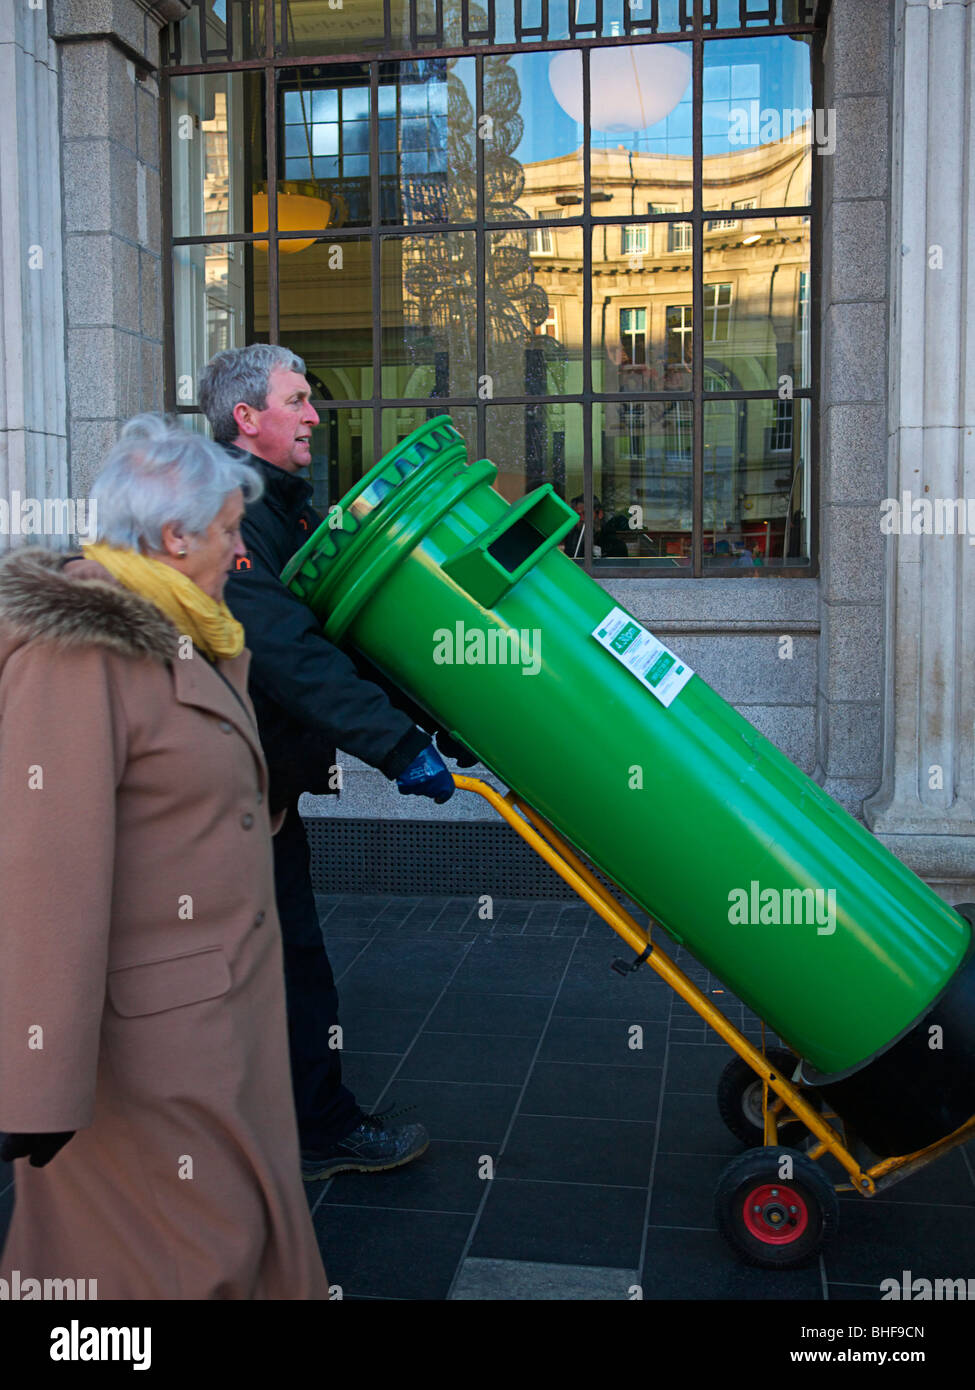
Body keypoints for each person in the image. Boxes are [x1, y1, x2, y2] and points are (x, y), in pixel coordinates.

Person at [0, 415, 329, 1299]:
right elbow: (43, 876)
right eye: (227, 531)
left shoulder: (191, 630)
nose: (239, 551)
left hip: (215, 1017)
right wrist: (34, 1087)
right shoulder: (78, 652)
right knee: (174, 1256)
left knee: (225, 1239)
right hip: (148, 1046)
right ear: (175, 536)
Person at [199, 344, 458, 1182]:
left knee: (259, 962)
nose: (315, 415)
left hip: (256, 785)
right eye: (298, 401)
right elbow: (288, 655)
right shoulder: (223, 515)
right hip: (216, 797)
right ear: (247, 418)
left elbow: (345, 640)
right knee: (288, 961)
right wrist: (397, 747)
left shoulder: (285, 512)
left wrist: (432, 726)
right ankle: (319, 1128)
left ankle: (242, 1116)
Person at [563, 494, 629, 560]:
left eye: (586, 513)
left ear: (600, 514)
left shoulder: (614, 542)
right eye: (578, 515)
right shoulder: (572, 540)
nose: (582, 519)